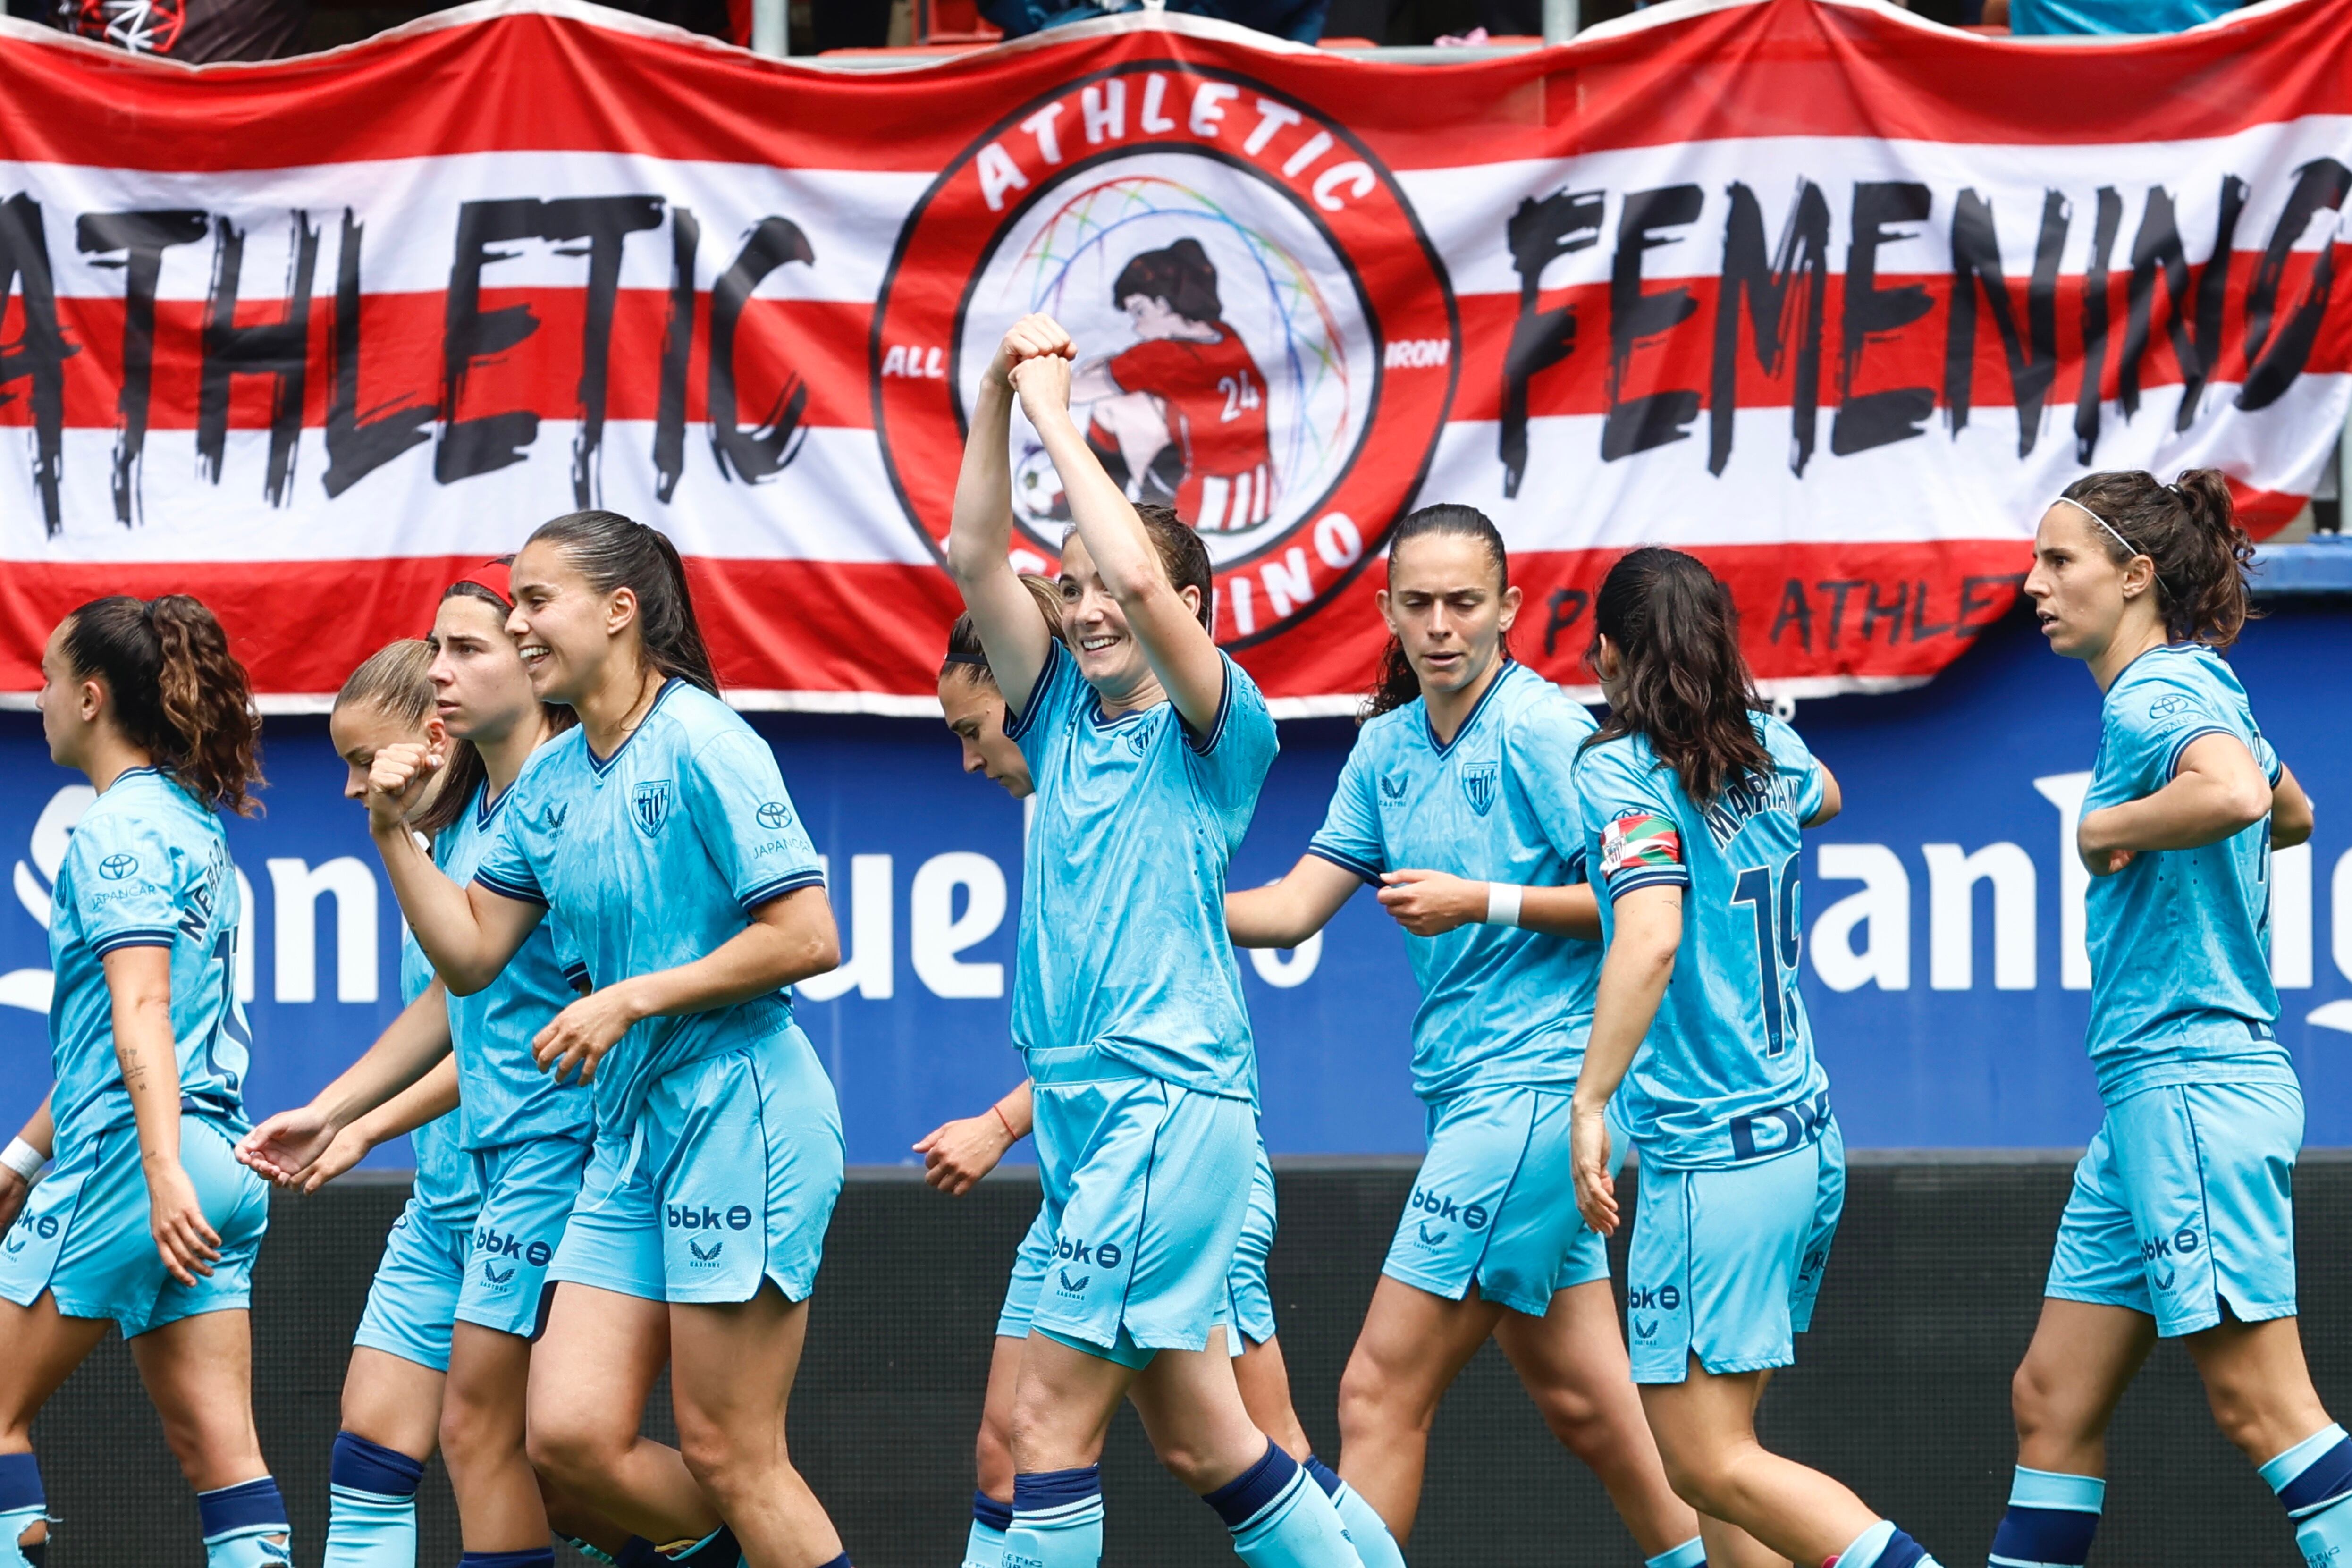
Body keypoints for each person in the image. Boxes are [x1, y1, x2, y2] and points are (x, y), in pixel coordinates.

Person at [1226, 504, 1718, 1568]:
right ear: (1386, 611)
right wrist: (1164, 895)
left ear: (1508, 609)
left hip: (1538, 1102)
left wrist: (1483, 898)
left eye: (1462, 603)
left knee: (1375, 1389)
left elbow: (1648, 899)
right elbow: (1292, 906)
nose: (1440, 625)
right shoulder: (1384, 748)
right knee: (1598, 1414)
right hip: (1481, 1104)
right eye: (1418, 604)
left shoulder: (1546, 732)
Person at [946, 312, 1360, 1568]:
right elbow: (974, 554)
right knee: (1208, 1442)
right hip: (1088, 1118)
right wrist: (993, 401)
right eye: (1059, 587)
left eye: (1099, 584)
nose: (1081, 606)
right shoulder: (1057, 709)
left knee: (1041, 1425)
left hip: (1163, 1106)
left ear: (1190, 608)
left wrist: (1061, 415)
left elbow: (1130, 577)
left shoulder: (1218, 725)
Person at [359, 511, 851, 1568]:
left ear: (620, 611)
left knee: (731, 1452)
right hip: (634, 1135)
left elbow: (808, 934)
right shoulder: (550, 778)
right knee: (569, 1440)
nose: (519, 623)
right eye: (517, 604)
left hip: (742, 1108)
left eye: (537, 601)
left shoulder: (706, 742)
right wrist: (393, 833)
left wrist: (630, 998)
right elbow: (474, 957)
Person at [242, 575, 650, 1568]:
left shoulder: (548, 813)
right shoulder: (456, 835)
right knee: (372, 1440)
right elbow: (457, 1018)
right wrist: (345, 1112)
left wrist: (361, 1124)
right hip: (448, 1187)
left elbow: (525, 1042)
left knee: (508, 1450)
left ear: (438, 727)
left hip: (545, 1167)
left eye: (358, 759)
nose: (349, 787)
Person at [919, 585, 1322, 1568]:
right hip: (1096, 1150)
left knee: (1105, 1430)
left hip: (1170, 1141)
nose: (972, 758)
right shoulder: (1069, 785)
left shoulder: (1180, 744)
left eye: (977, 730)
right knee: (1196, 1442)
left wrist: (1044, 418)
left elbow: (1142, 1028)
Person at [1565, 547, 1949, 1568]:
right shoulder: (1767, 748)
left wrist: (1588, 1099)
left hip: (1714, 1163)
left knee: (1705, 1465)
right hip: (1802, 1146)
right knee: (1729, 1463)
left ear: (1606, 654)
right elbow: (1824, 791)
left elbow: (1647, 937)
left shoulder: (1613, 768)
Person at [1990, 470, 2339, 1568]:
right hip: (2154, 1103)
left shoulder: (2151, 696)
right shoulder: (2191, 681)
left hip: (2189, 1087)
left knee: (2260, 1407)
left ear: (2133, 575)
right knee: (2049, 1397)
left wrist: (2107, 827)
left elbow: (2239, 797)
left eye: (2058, 562)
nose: (2031, 583)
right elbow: (2292, 808)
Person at [0, 595, 289, 1568]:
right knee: (220, 1451)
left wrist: (157, 1169)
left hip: (140, 1164)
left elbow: (145, 1013)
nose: (31, 696)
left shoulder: (114, 832)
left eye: (42, 678)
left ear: (88, 697)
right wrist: (24, 1156)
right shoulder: (191, 825)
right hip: (216, 1164)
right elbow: (115, 1035)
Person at [1066, 239, 1277, 533]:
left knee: (1113, 404)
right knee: (1146, 399)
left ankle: (1087, 501)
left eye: (1139, 312)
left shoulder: (1163, 356)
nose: (1137, 328)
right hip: (1259, 495)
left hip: (1205, 507)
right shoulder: (1224, 334)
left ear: (1164, 305)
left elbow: (1073, 393)